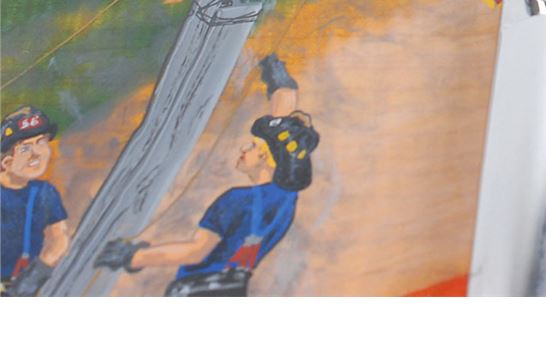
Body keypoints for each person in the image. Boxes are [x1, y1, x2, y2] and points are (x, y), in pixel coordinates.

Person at [95, 54, 318, 296]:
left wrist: (133, 256)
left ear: (266, 158)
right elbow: (284, 139)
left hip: (197, 292)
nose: (244, 149)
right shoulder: (286, 198)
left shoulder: (235, 200)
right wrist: (282, 87)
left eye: (253, 147)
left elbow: (196, 252)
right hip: (235, 290)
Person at [1, 106, 70, 296]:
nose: (36, 153)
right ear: (6, 162)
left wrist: (35, 276)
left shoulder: (44, 193)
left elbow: (59, 237)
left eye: (41, 142)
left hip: (25, 288)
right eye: (25, 148)